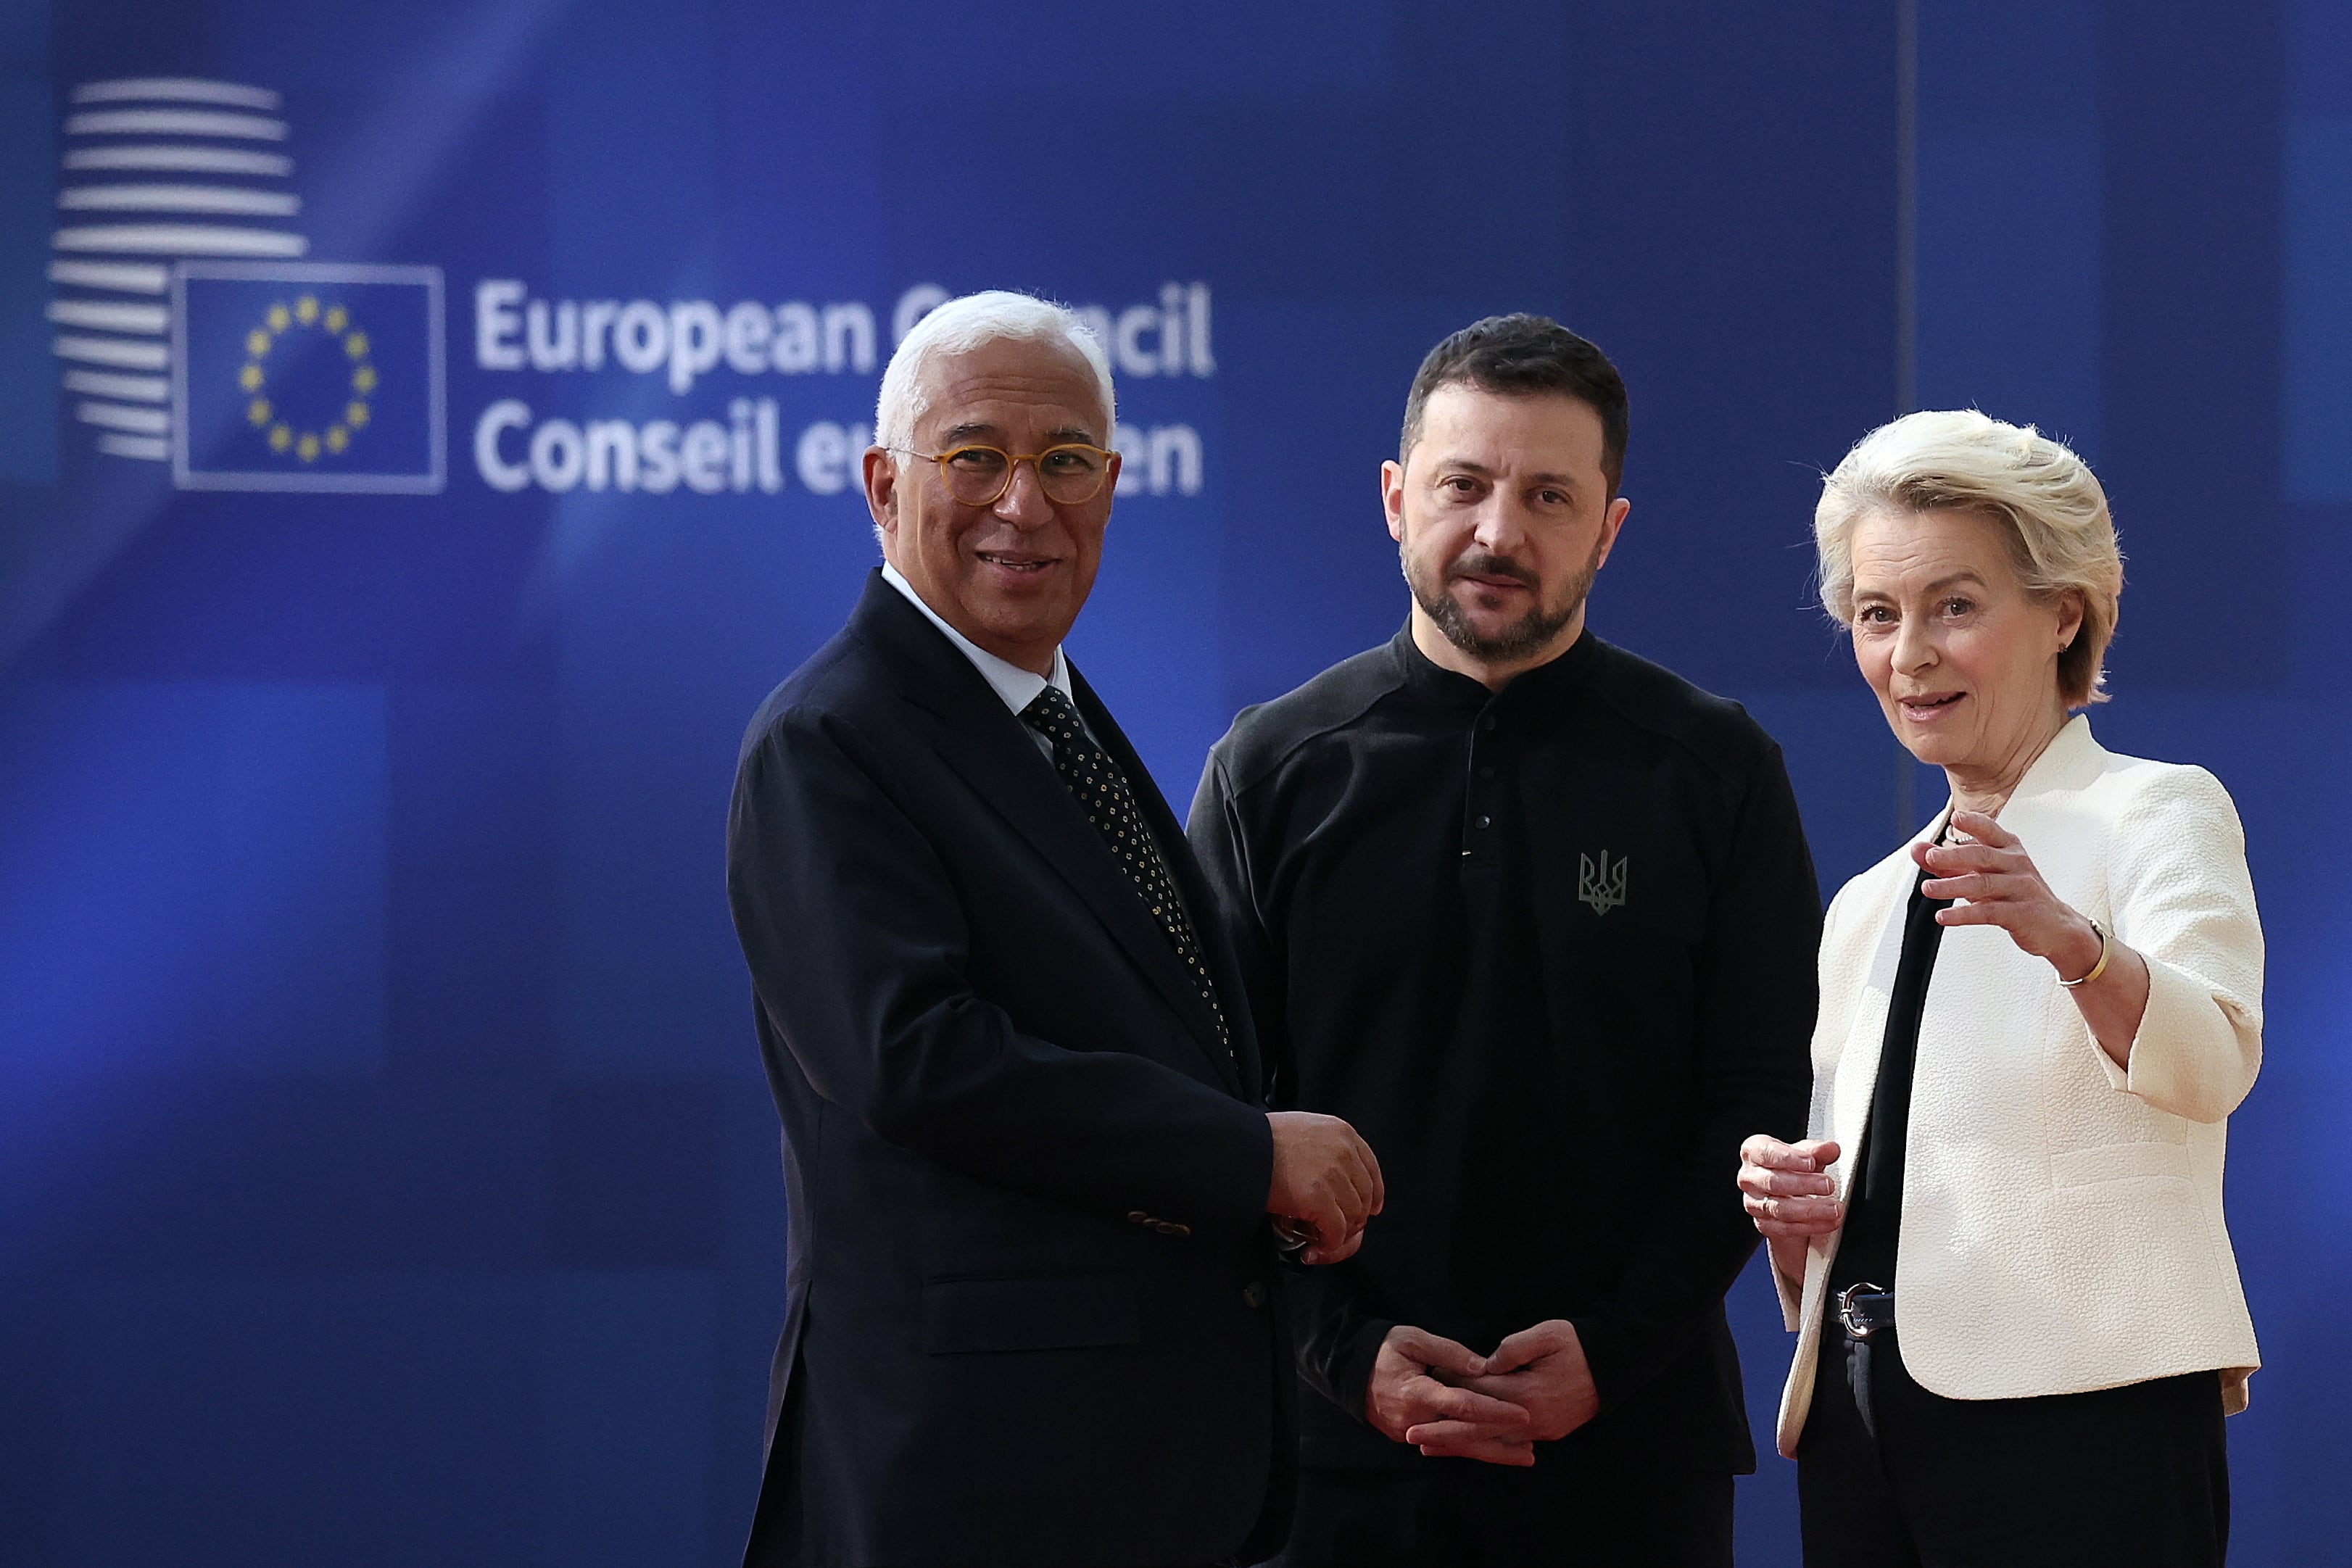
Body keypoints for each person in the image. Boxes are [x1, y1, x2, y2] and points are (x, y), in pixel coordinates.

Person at [724, 290, 1385, 1568]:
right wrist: (1245, 1156)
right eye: (975, 456)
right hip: (974, 1479)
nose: (1025, 503)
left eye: (1066, 462)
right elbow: (919, 1062)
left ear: (1113, 485)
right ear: (881, 483)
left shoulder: (1054, 722)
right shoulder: (830, 741)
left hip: (1135, 1469)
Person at [1187, 314, 1821, 1567]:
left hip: (1632, 1450)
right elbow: (1208, 1109)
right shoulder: (1271, 771)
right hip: (1331, 1455)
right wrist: (1345, 1353)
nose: (1497, 533)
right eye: (1462, 486)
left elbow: (1758, 1098)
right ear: (1393, 498)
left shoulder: (1714, 770)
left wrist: (1614, 1349)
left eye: (1547, 496)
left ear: (1609, 528)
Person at [1738, 410, 2262, 1567]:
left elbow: (2217, 1060)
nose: (1910, 655)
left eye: (1955, 607)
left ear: (2063, 613)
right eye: (1878, 615)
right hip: (1860, 1426)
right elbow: (1857, 1207)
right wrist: (1792, 1217)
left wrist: (2077, 947)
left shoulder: (2156, 810)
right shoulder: (1868, 903)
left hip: (2084, 1414)